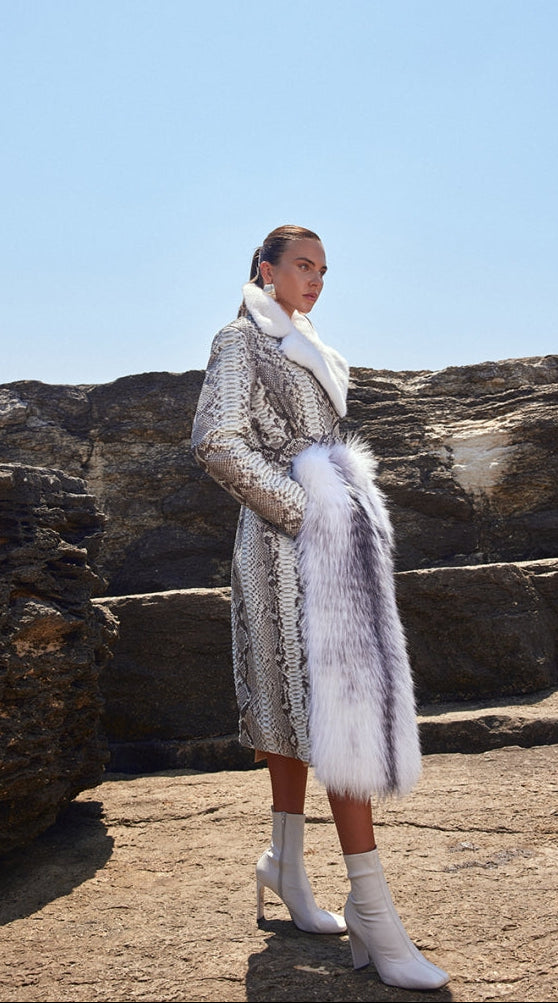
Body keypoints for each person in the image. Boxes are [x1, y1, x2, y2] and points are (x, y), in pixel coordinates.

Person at [191, 224, 449, 991]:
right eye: (302, 266)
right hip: (284, 546)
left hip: (332, 551)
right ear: (265, 269)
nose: (315, 279)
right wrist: (307, 512)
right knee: (321, 707)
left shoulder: (310, 346)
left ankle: (286, 865)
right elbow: (215, 440)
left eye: (324, 270)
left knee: (309, 706)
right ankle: (372, 908)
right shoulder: (241, 341)